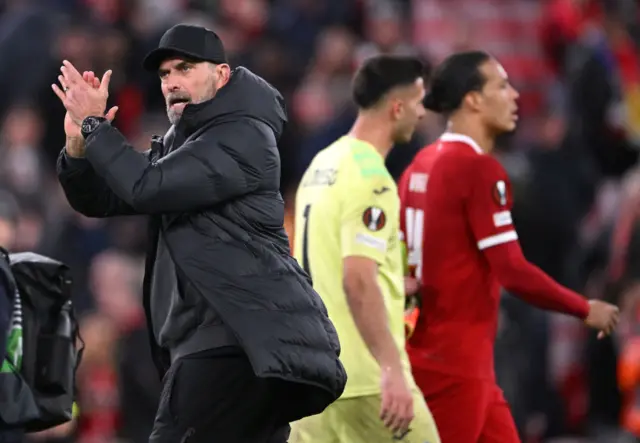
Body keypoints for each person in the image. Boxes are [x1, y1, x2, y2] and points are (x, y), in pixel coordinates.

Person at [54, 24, 346, 443]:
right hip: (230, 348)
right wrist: (78, 143)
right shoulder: (182, 145)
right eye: (164, 75)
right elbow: (100, 200)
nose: (172, 82)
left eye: (185, 69)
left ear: (222, 75)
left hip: (231, 344)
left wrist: (97, 127)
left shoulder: (242, 134)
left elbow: (144, 186)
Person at [398, 50, 620, 443]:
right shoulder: (479, 169)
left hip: (442, 357)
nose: (515, 95)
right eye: (501, 85)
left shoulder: (420, 164)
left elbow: (401, 263)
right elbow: (512, 270)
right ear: (473, 100)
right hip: (455, 367)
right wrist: (584, 308)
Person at [289, 55, 440, 443]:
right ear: (397, 107)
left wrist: (391, 284)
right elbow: (356, 278)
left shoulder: (322, 165)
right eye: (420, 102)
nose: (423, 114)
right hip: (366, 382)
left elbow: (322, 261)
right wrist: (391, 369)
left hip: (312, 377)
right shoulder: (372, 179)